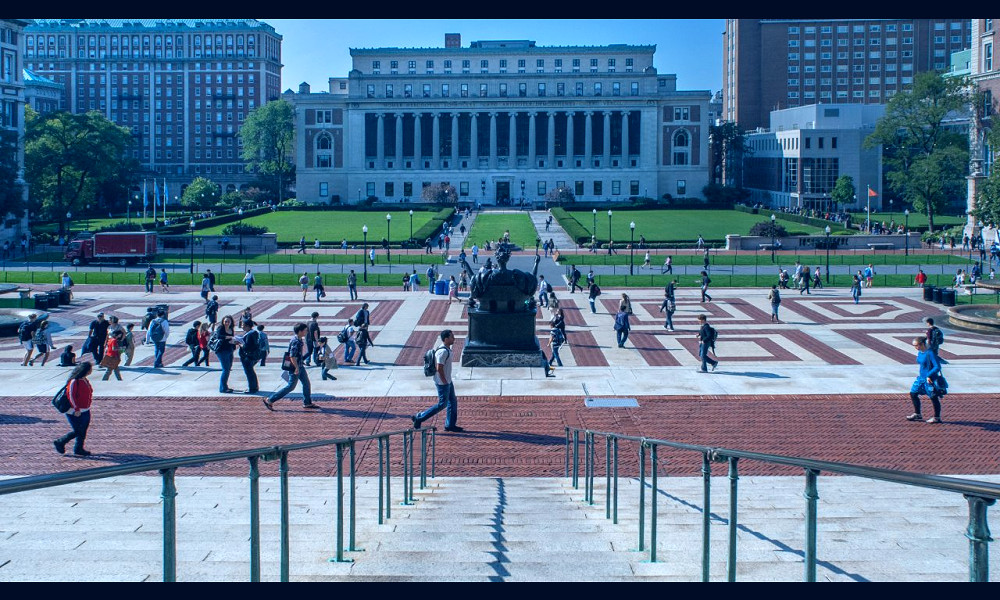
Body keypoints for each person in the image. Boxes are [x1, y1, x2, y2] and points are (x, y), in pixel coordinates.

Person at [412, 329, 462, 432]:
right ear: (446, 339)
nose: (454, 338)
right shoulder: (443, 352)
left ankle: (450, 425)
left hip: (447, 381)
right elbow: (439, 368)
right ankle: (419, 417)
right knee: (442, 404)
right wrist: (444, 381)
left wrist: (448, 381)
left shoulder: (446, 349)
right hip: (443, 382)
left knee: (452, 401)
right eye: (452, 337)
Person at [263, 323, 318, 410]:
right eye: (305, 330)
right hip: (295, 367)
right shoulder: (296, 341)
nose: (307, 332)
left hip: (299, 365)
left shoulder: (298, 339)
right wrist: (296, 367)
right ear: (300, 331)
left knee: (306, 384)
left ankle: (307, 402)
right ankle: (270, 400)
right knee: (291, 386)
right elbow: (292, 356)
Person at [54, 362, 95, 456]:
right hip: (74, 411)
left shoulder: (85, 379)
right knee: (78, 430)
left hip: (85, 409)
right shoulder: (74, 381)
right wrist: (76, 409)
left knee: (83, 430)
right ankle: (60, 442)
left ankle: (79, 448)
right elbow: (71, 395)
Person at [906, 337, 945, 424]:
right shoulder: (920, 353)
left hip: (930, 379)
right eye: (914, 346)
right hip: (921, 379)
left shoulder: (930, 353)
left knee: (933, 397)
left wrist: (928, 375)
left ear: (922, 344)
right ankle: (917, 413)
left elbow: (937, 367)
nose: (915, 347)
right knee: (913, 393)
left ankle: (937, 417)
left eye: (916, 345)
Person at [213, 315, 238, 393]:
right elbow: (219, 336)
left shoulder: (231, 329)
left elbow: (231, 339)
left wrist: (234, 342)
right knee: (225, 369)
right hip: (222, 351)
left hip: (230, 350)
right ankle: (223, 388)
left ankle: (225, 386)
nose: (227, 323)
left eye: (228, 321)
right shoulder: (221, 328)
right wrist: (228, 337)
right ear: (223, 322)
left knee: (228, 368)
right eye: (225, 321)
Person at [239, 319, 262, 394]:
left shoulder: (249, 334)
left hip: (248, 356)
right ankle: (255, 386)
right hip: (253, 356)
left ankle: (252, 388)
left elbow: (248, 346)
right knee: (251, 372)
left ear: (247, 326)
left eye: (243, 325)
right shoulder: (254, 333)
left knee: (249, 372)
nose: (242, 326)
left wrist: (241, 345)